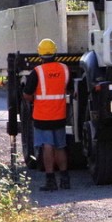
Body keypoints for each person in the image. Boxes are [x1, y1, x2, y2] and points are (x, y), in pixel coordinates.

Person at [23, 38, 72, 191]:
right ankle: (65, 179)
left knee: (47, 146)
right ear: (55, 52)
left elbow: (27, 94)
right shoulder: (64, 69)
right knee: (60, 146)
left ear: (40, 54)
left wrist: (33, 99)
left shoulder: (37, 72)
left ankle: (51, 180)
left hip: (42, 116)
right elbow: (69, 89)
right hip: (59, 114)